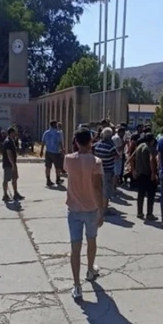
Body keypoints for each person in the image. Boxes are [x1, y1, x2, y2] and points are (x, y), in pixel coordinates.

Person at [64, 129, 103, 300]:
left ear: (76, 142)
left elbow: (67, 172)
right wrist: (101, 209)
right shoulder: (96, 161)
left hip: (74, 208)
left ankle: (77, 285)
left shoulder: (68, 159)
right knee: (91, 240)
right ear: (91, 142)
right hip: (91, 208)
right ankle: (90, 270)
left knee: (75, 248)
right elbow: (97, 187)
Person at [129, 133, 158, 220]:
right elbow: (151, 161)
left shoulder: (139, 146)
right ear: (151, 140)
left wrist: (133, 170)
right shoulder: (150, 149)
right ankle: (149, 214)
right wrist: (153, 173)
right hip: (148, 173)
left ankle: (140, 213)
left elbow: (131, 158)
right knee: (150, 195)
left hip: (140, 173)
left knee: (140, 194)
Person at [93, 128, 118, 214]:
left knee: (97, 188)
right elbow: (117, 156)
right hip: (107, 170)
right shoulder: (111, 147)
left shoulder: (96, 145)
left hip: (97, 170)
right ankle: (105, 209)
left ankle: (97, 206)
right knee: (106, 189)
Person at [1, 128, 24, 201]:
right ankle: (5, 195)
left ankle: (16, 194)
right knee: (6, 179)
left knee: (14, 178)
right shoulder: (8, 142)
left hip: (12, 163)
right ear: (11, 133)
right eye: (14, 133)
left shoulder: (11, 141)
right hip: (8, 164)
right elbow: (9, 154)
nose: (15, 134)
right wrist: (13, 165)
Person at [40, 120, 64, 186]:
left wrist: (41, 151)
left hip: (48, 152)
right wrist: (62, 150)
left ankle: (48, 180)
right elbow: (60, 142)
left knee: (48, 167)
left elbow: (43, 142)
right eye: (56, 124)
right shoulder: (57, 133)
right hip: (56, 152)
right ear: (54, 125)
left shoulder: (46, 133)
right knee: (58, 167)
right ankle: (58, 179)